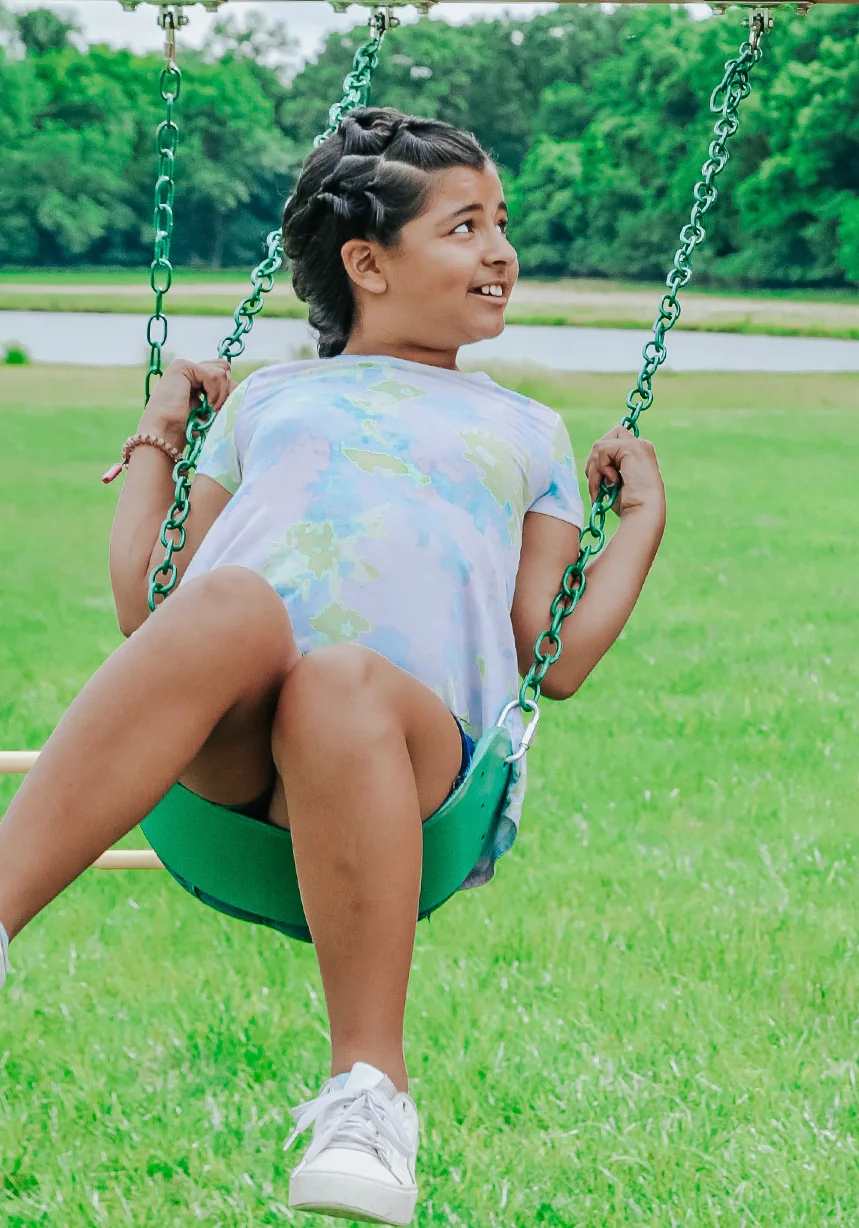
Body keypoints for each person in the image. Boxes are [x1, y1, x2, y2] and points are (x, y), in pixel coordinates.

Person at [0, 110, 666, 1224]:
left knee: (340, 680)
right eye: (464, 226)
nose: (500, 250)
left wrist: (636, 519)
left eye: (500, 224)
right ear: (368, 262)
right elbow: (150, 610)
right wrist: (164, 432)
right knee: (229, 602)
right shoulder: (268, 397)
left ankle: (369, 1093)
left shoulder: (531, 431)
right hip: (224, 767)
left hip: (405, 774)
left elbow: (551, 655)